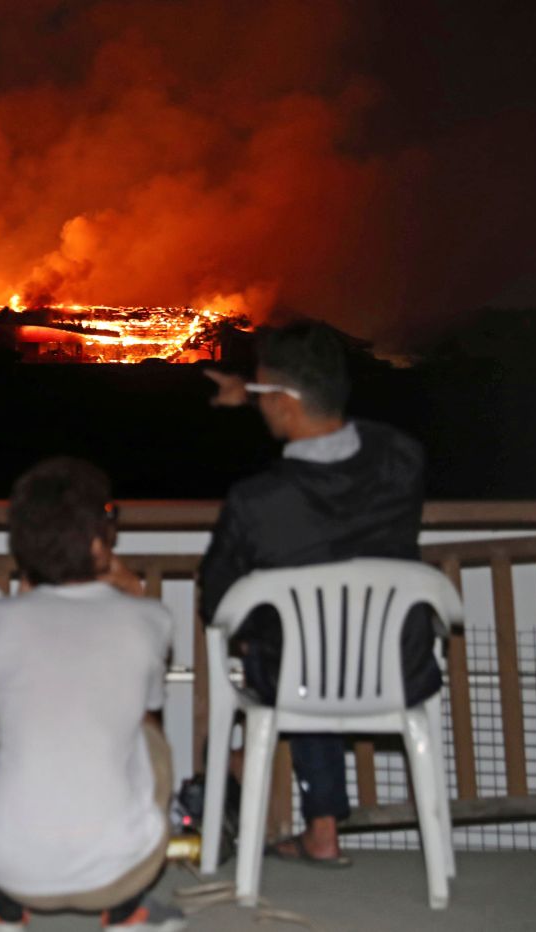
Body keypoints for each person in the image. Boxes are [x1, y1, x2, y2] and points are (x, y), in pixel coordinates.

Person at [198, 321, 441, 867]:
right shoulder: (402, 458)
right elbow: (351, 441)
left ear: (282, 403)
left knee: (291, 648)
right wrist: (261, 394)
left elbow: (216, 601)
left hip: (300, 680)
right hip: (399, 666)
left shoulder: (259, 501)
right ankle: (321, 830)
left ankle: (241, 776)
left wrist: (252, 636)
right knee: (309, 642)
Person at [0, 458, 186, 932]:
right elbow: (150, 719)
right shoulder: (151, 620)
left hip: (9, 869)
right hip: (119, 873)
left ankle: (1, 907)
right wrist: (131, 589)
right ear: (100, 543)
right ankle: (127, 911)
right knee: (149, 737)